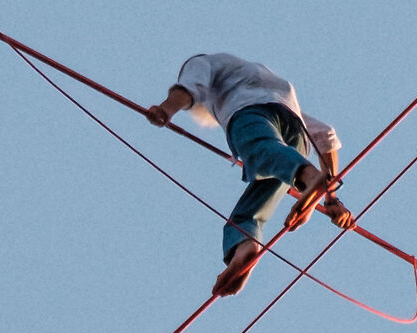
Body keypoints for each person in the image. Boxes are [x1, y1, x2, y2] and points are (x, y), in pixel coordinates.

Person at [145, 53, 353, 297]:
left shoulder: (201, 63)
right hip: (295, 136)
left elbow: (189, 88)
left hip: (250, 114)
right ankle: (245, 245)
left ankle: (307, 178)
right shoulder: (264, 81)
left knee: (258, 147)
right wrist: (330, 199)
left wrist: (166, 110)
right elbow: (326, 136)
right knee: (251, 207)